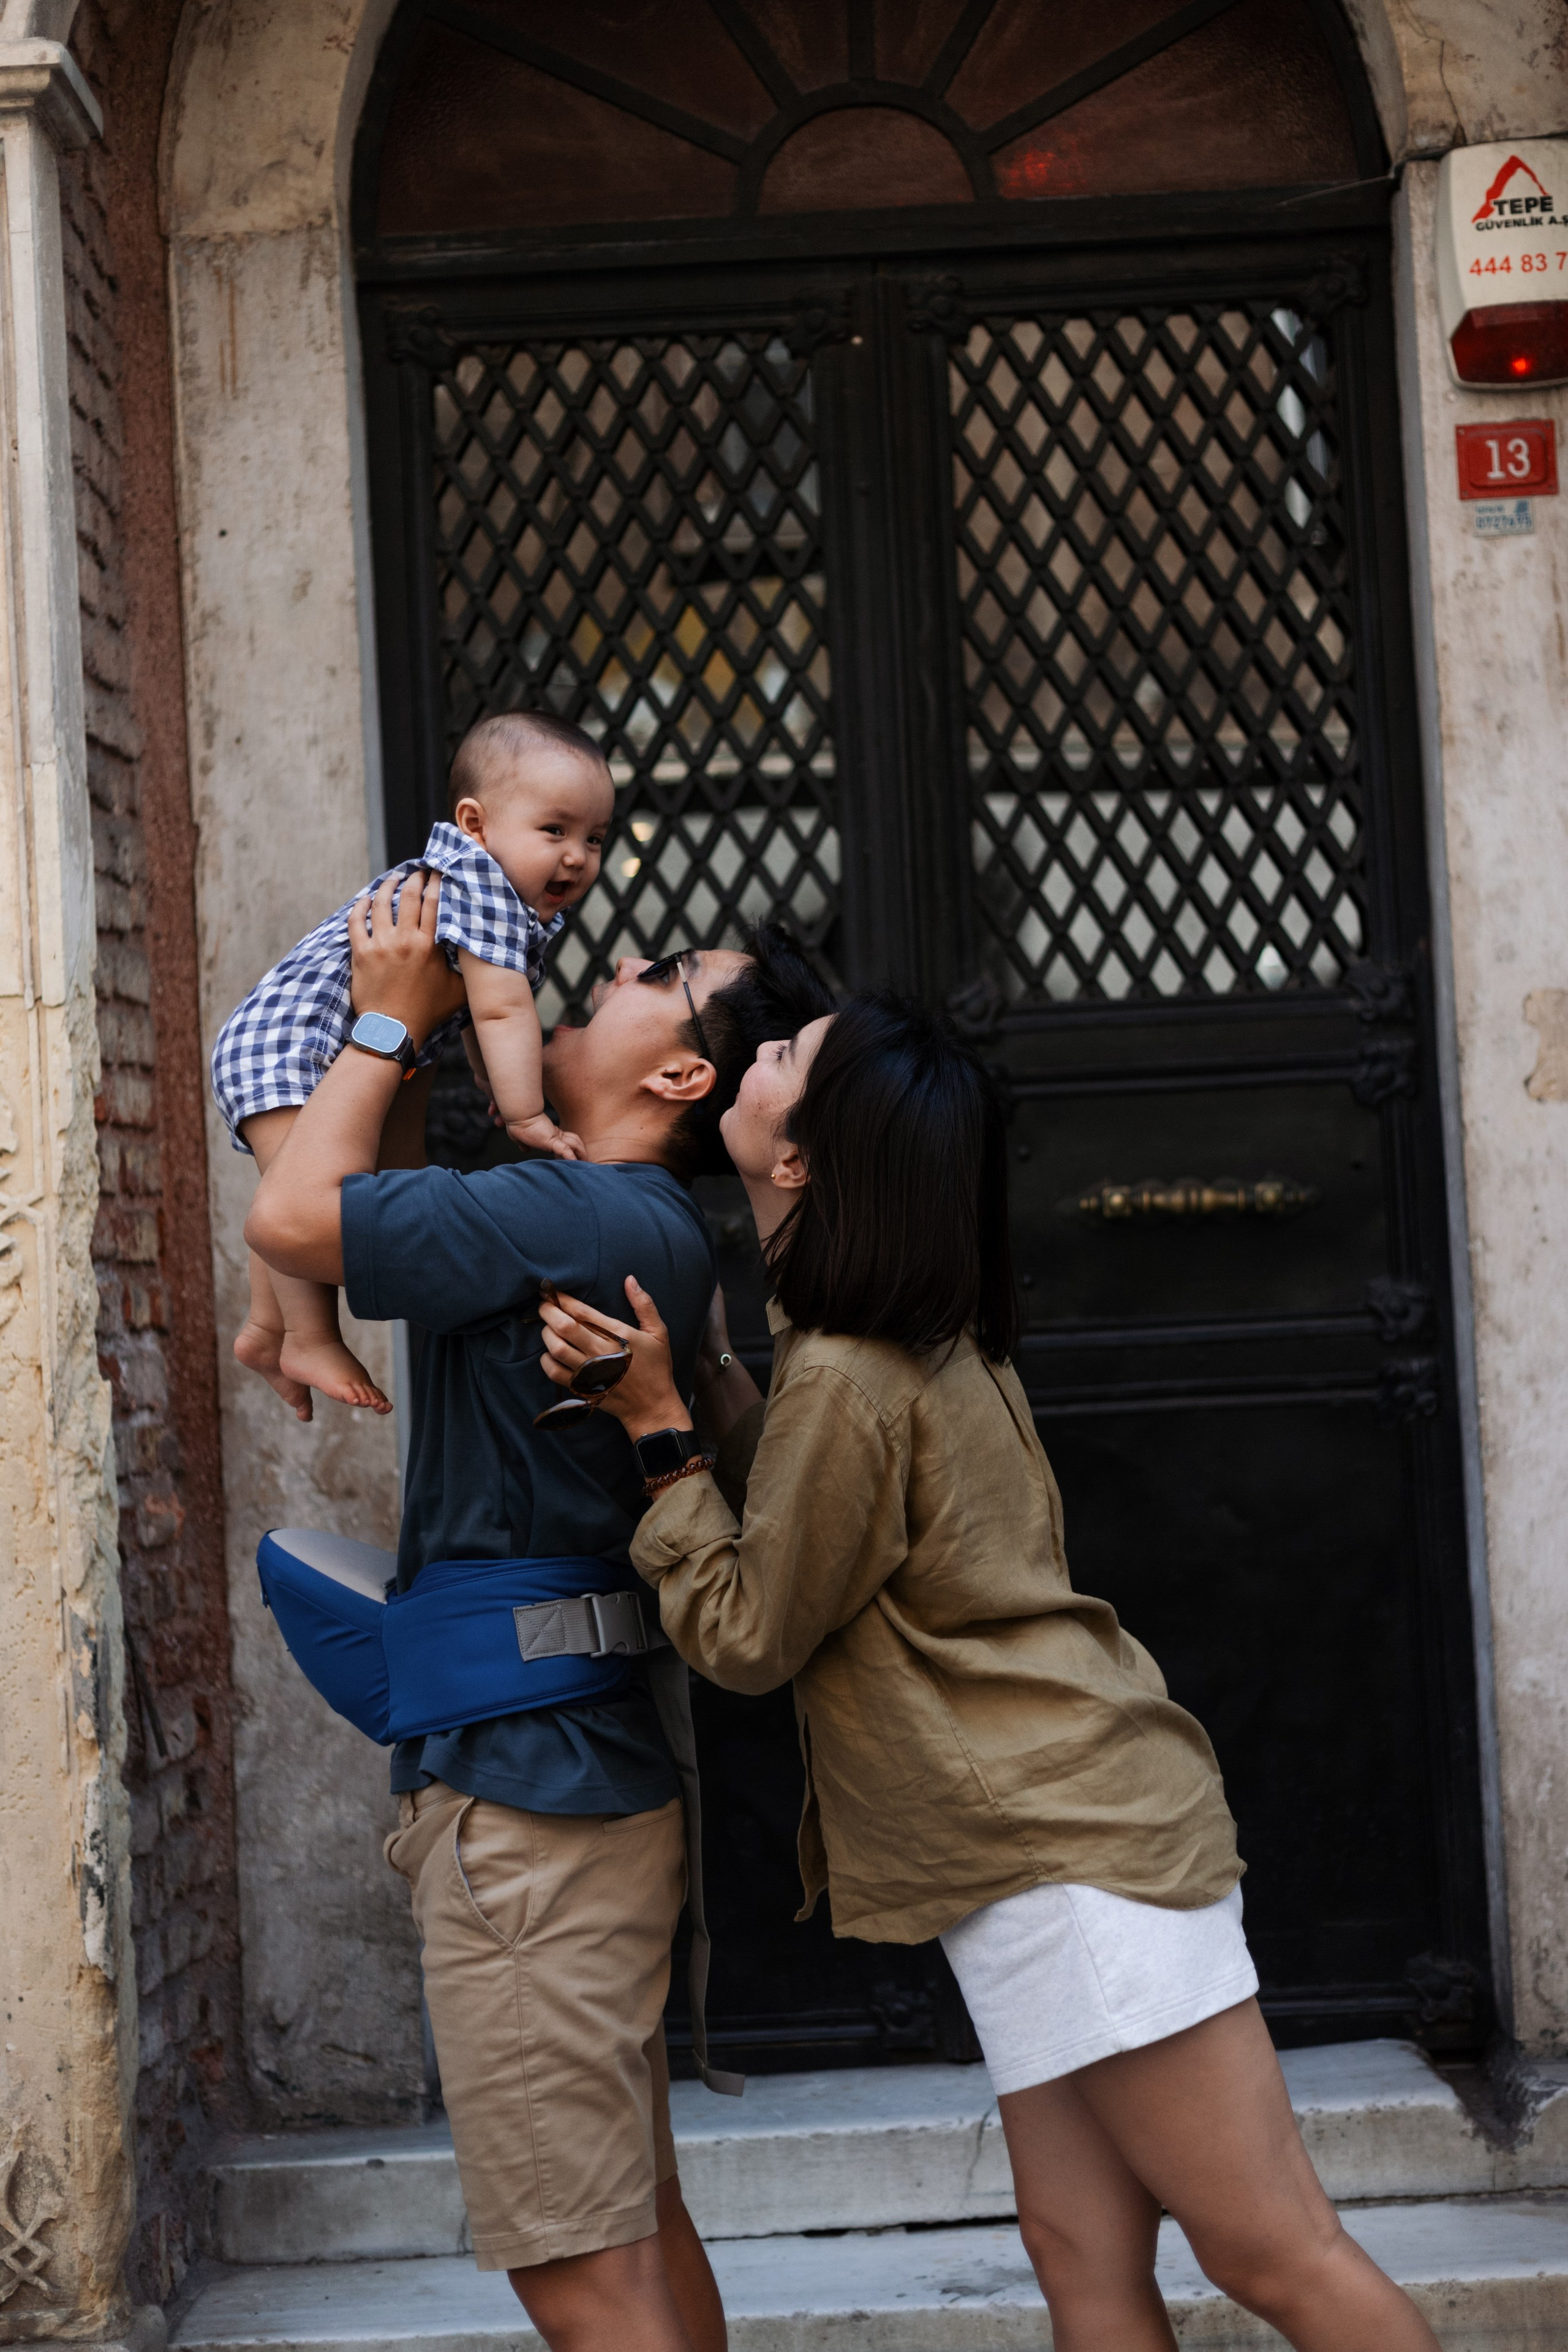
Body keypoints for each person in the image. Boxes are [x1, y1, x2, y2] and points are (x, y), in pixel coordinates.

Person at [535, 994, 1444, 2352]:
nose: (755, 1052)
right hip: (1040, 1852)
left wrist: (660, 1436)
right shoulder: (898, 1334)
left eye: (783, 1058)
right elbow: (812, 1518)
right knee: (1077, 2256)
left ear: (797, 1162)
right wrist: (712, 1378)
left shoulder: (851, 1369)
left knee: (1271, 2250)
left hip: (1068, 1857)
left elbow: (746, 1634)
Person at [244, 872, 833, 2352]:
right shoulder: (617, 1211)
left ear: (680, 1070)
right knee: (630, 2223)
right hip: (581, 1786)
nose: (609, 955)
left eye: (654, 966)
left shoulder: (566, 1208)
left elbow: (295, 1214)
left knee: (574, 2265)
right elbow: (358, 1191)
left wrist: (383, 1010)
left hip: (530, 1814)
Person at [214, 710, 611, 1420]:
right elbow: (500, 1014)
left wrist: (493, 1080)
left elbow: (470, 1019)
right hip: (290, 1043)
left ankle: (266, 1329)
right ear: (476, 823)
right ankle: (308, 1336)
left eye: (594, 839)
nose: (577, 856)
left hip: (298, 1040)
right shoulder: (481, 887)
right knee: (306, 1200)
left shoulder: (487, 893)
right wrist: (524, 1112)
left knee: (298, 1182)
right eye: (555, 831)